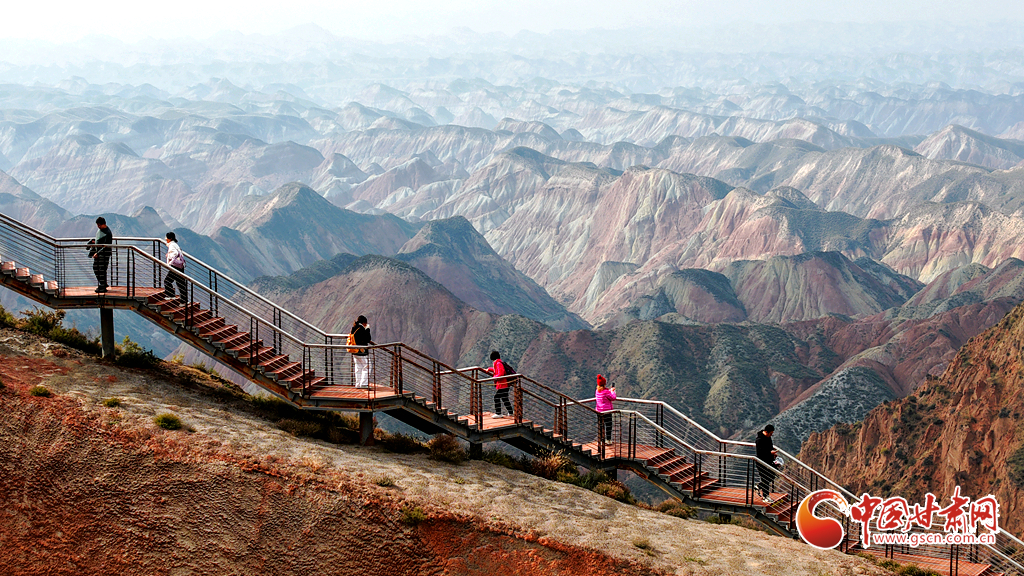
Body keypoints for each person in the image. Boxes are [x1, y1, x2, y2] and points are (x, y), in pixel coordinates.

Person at [485, 350, 514, 418]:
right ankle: (510, 412)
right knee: (504, 398)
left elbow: (501, 373)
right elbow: (497, 370)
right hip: (505, 384)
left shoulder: (498, 363)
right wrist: (489, 369)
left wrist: (494, 377)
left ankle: (498, 413)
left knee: (496, 397)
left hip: (503, 385)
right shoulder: (498, 363)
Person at [88, 217, 113, 293]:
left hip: (104, 254)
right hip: (98, 254)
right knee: (97, 268)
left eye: (99, 225)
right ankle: (103, 284)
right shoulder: (100, 230)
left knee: (101, 269)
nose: (98, 227)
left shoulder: (107, 233)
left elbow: (106, 245)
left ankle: (102, 286)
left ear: (103, 224)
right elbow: (99, 240)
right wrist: (93, 242)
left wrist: (97, 253)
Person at [756, 424, 779, 504]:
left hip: (769, 461)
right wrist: (770, 453)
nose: (771, 435)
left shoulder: (768, 438)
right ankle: (765, 497)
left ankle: (759, 486)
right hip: (761, 462)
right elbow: (760, 452)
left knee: (772, 475)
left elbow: (770, 447)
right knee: (765, 479)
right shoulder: (759, 440)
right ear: (766, 432)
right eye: (771, 433)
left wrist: (773, 453)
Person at [350, 316, 374, 388]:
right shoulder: (362, 329)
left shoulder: (354, 328)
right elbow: (367, 339)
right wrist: (367, 329)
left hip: (354, 351)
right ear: (364, 323)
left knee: (358, 367)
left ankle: (358, 384)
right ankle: (363, 383)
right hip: (362, 352)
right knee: (367, 366)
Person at [163, 232, 188, 302]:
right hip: (180, 266)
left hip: (175, 266)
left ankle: (171, 295)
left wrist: (169, 255)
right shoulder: (175, 244)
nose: (165, 239)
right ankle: (184, 300)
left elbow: (175, 254)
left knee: (167, 281)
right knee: (181, 283)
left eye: (167, 237)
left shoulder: (172, 245)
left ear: (170, 238)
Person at [595, 374, 617, 442]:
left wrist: (609, 391)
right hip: (607, 411)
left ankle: (601, 440)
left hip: (599, 411)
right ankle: (608, 440)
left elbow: (605, 395)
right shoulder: (606, 392)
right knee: (608, 425)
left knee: (601, 426)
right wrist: (612, 391)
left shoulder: (597, 391)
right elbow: (613, 398)